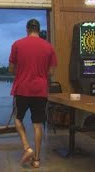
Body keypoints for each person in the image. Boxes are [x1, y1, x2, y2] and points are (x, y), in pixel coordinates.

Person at [8, 19, 57, 168]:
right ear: (38, 29)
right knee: (37, 124)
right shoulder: (49, 47)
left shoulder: (17, 44)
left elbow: (11, 69)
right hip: (40, 90)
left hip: (22, 89)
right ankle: (36, 159)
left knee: (18, 119)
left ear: (27, 29)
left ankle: (26, 147)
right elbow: (51, 72)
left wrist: (22, 71)